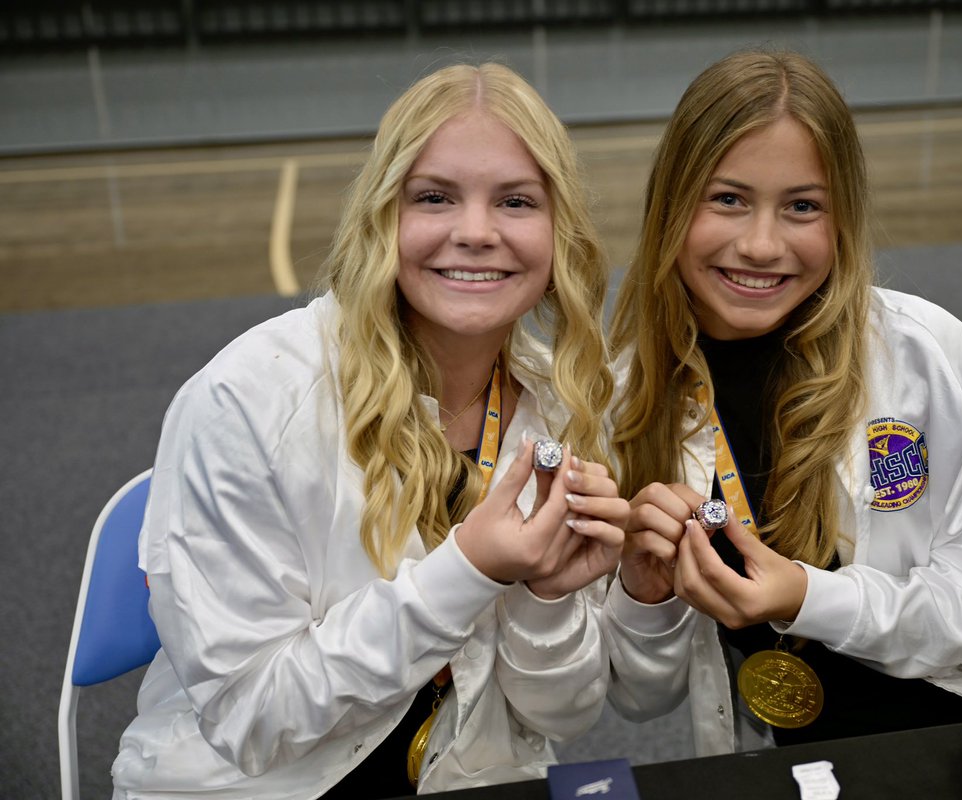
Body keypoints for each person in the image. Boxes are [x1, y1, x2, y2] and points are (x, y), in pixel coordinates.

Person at [602, 50, 962, 757]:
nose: (761, 244)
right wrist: (643, 594)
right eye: (728, 199)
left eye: (802, 206)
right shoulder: (625, 399)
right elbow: (640, 695)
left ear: (843, 218)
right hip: (814, 755)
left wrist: (808, 598)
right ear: (670, 204)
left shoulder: (925, 353)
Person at [111, 62, 629, 798]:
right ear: (382, 214)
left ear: (558, 230)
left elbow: (561, 714)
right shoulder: (248, 401)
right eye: (434, 197)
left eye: (515, 201)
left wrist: (547, 600)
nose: (476, 233)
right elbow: (253, 720)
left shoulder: (560, 407)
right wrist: (469, 572)